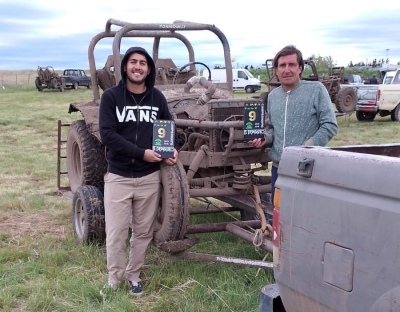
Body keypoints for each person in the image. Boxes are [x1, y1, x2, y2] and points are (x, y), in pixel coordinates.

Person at [99, 46, 179, 297]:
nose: (137, 67)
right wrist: (140, 153)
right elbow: (107, 135)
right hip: (119, 176)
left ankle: (134, 275)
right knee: (116, 232)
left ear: (149, 69)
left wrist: (171, 148)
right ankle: (114, 278)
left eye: (143, 63)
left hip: (148, 177)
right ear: (125, 67)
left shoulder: (157, 98)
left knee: (143, 231)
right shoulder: (111, 97)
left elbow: (168, 125)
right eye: (133, 62)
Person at [248, 45, 338, 203]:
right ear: (276, 70)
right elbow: (274, 130)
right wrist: (264, 138)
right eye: (282, 65)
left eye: (292, 65)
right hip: (279, 168)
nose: (286, 70)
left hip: (307, 168)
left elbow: (329, 125)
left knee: (304, 215)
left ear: (300, 68)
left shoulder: (316, 90)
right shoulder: (273, 96)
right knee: (279, 212)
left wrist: (305, 149)